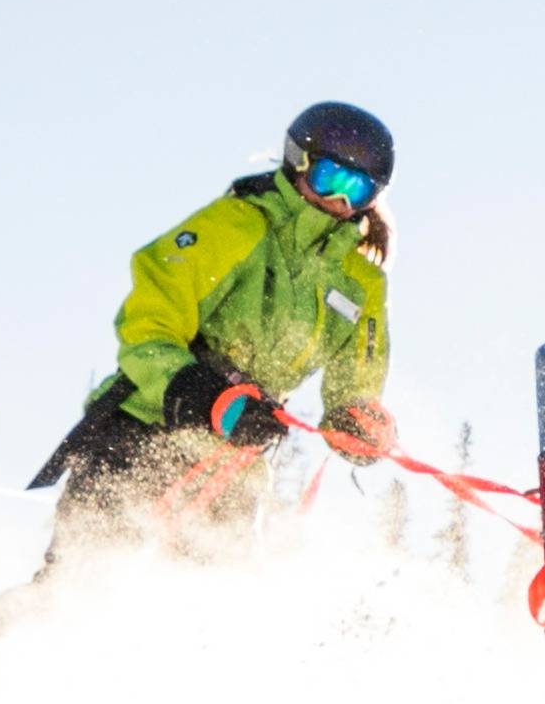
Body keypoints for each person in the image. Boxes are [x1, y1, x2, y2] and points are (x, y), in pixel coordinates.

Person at [23, 100, 399, 554]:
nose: (340, 200)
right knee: (81, 576)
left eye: (357, 189)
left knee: (208, 589)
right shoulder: (238, 224)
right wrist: (194, 389)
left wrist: (357, 421)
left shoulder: (361, 282)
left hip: (232, 465)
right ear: (298, 161)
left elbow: (355, 381)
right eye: (330, 178)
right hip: (147, 427)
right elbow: (149, 322)